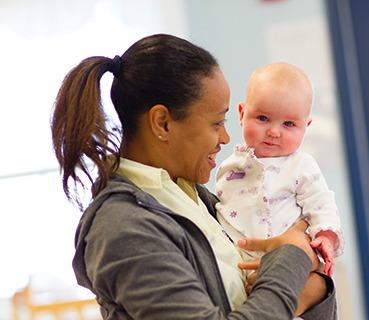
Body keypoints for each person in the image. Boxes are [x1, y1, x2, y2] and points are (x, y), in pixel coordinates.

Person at [50, 34, 337, 319]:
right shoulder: (123, 228)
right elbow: (285, 280)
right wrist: (294, 258)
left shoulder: (196, 198)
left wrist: (316, 287)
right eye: (217, 122)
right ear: (162, 123)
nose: (225, 138)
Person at [216, 63, 344, 277]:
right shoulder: (229, 166)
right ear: (241, 113)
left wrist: (326, 236)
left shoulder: (301, 165)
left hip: (285, 263)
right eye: (263, 118)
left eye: (288, 124)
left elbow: (322, 204)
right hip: (235, 263)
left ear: (306, 126)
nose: (274, 132)